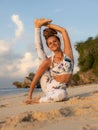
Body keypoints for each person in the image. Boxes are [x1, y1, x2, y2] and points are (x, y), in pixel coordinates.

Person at [25, 18, 74, 104]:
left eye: (55, 41)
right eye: (50, 43)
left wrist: (47, 25)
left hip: (61, 87)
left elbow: (63, 31)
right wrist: (29, 96)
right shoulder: (48, 61)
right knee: (41, 55)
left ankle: (38, 26)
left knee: (62, 93)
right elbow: (36, 78)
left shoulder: (68, 54)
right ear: (48, 47)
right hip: (48, 84)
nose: (53, 44)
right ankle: (37, 27)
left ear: (59, 42)